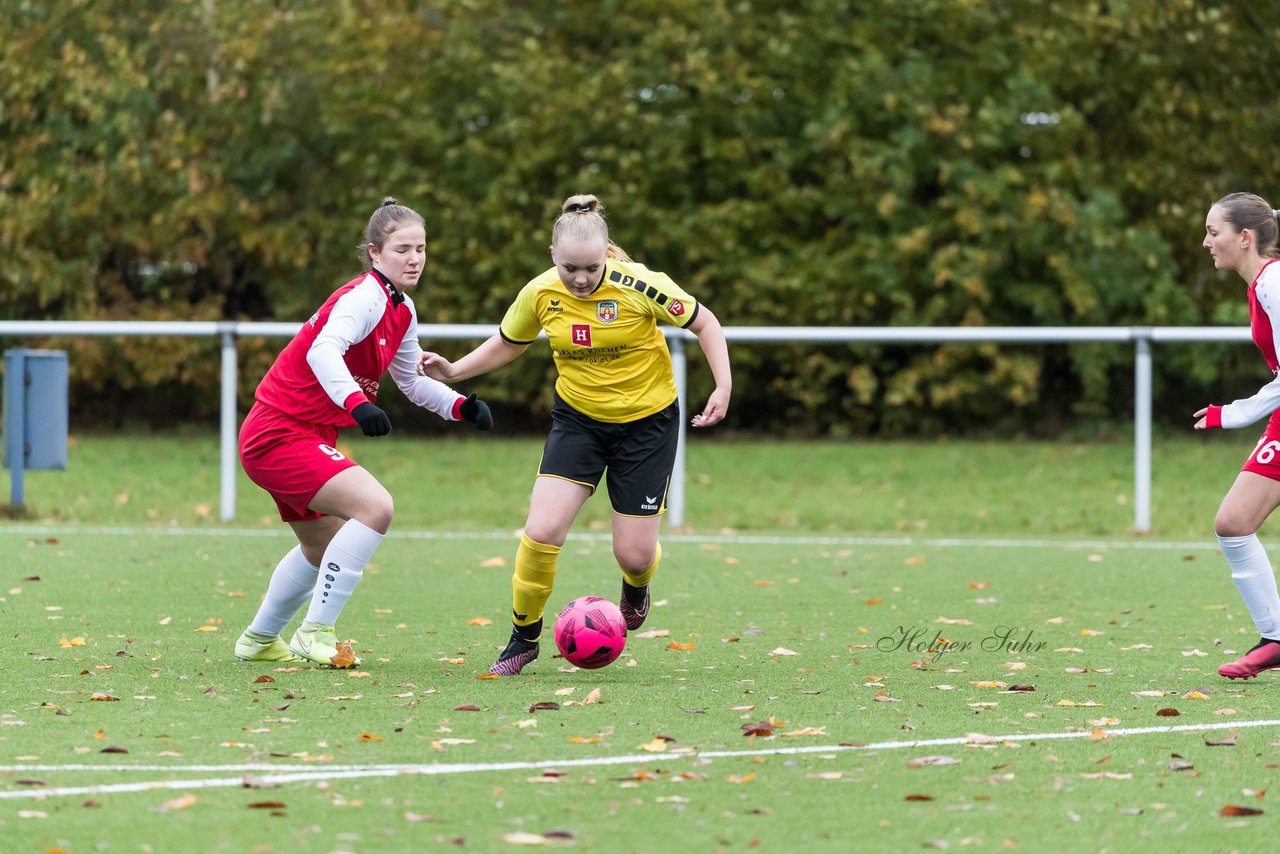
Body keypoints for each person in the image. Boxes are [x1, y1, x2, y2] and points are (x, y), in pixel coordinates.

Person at [418, 193, 732, 676]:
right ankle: (523, 638)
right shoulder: (541, 292)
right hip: (579, 422)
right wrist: (454, 371)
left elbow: (705, 322)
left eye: (590, 268)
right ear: (552, 257)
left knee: (634, 553)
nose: (580, 280)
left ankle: (636, 584)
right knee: (542, 530)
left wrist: (723, 386)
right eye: (570, 269)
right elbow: (509, 342)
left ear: (608, 253)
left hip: (647, 425)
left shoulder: (641, 285)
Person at [234, 197, 494, 668]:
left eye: (421, 248)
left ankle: (258, 639)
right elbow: (322, 351)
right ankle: (315, 632)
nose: (414, 258)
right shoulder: (364, 297)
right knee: (376, 507)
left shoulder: (402, 308)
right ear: (375, 253)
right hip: (278, 432)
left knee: (321, 546)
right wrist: (358, 404)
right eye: (402, 249)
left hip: (301, 433)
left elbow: (412, 382)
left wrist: (460, 407)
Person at [1194, 192, 1280, 680]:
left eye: (1213, 232)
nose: (1206, 242)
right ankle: (1276, 637)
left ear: (1243, 238)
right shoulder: (1263, 283)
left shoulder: (1274, 283)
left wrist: (1233, 415)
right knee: (1233, 521)